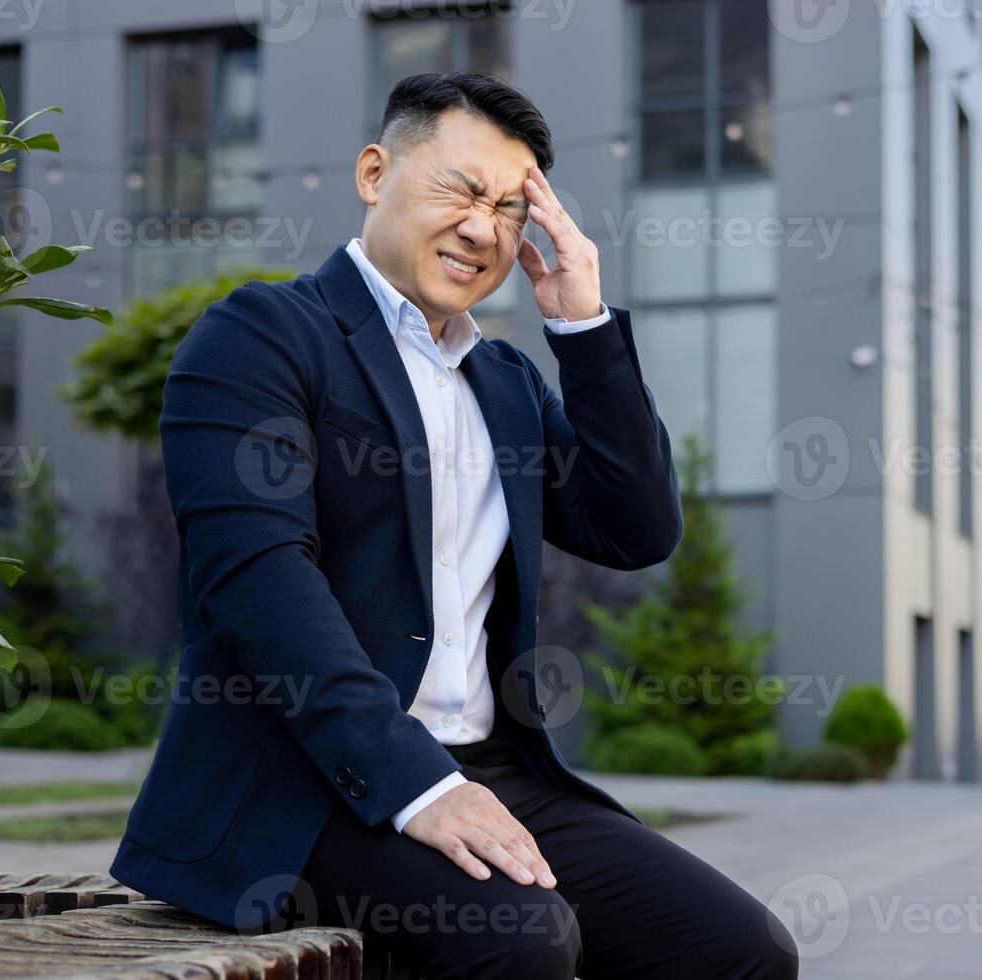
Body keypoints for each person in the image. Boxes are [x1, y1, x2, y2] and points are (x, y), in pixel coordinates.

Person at [111, 71, 798, 979]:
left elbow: (636, 530)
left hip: (492, 764)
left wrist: (583, 324)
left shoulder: (504, 382)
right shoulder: (260, 335)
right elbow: (260, 585)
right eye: (464, 190)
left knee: (740, 950)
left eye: (513, 210)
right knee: (523, 938)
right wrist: (416, 786)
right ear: (372, 173)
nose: (486, 228)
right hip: (304, 781)